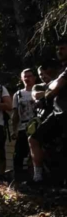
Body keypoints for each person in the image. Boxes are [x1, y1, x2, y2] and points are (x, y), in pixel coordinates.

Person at [29, 40, 67, 183]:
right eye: (57, 49)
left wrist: (46, 94)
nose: (59, 52)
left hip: (65, 113)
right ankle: (38, 177)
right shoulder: (62, 69)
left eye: (62, 48)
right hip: (57, 114)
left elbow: (57, 86)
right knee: (34, 139)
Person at [11, 69, 37, 182]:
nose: (27, 78)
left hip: (38, 125)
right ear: (21, 79)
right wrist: (14, 129)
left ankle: (37, 177)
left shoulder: (40, 90)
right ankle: (18, 179)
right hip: (23, 127)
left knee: (36, 153)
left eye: (30, 76)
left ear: (34, 77)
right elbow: (15, 113)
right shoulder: (18, 94)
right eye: (25, 76)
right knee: (19, 154)